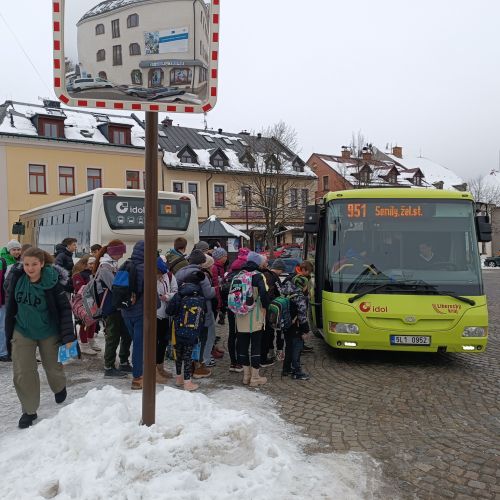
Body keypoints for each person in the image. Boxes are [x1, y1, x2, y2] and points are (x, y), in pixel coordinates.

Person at [4, 247, 76, 428]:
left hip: (48, 331)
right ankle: (29, 410)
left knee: (52, 366)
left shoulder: (53, 283)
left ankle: (59, 386)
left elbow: (65, 310)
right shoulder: (17, 279)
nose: (30, 268)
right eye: (26, 264)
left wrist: (68, 335)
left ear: (42, 263)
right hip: (22, 331)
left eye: (34, 264)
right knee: (23, 372)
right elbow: (10, 304)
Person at [93, 240, 132, 378]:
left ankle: (123, 362)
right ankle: (109, 367)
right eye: (121, 252)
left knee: (126, 334)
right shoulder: (105, 267)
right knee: (113, 336)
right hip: (111, 307)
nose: (122, 255)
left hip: (117, 306)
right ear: (114, 253)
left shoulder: (112, 264)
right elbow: (115, 287)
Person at [175, 249, 215, 379]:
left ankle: (186, 367)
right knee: (202, 337)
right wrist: (217, 289)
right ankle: (199, 366)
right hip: (201, 311)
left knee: (186, 340)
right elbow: (208, 293)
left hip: (183, 311)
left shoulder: (180, 272)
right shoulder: (200, 274)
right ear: (202, 262)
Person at [233, 251, 270, 387]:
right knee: (256, 346)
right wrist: (266, 307)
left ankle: (245, 376)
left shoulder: (238, 275)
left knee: (242, 346)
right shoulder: (258, 276)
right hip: (255, 315)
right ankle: (255, 378)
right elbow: (264, 295)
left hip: (240, 315)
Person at [120, 241, 146, 390]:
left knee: (135, 342)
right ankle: (138, 377)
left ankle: (138, 371)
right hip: (140, 311)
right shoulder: (145, 268)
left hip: (126, 311)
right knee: (139, 345)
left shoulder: (125, 264)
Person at [279, 277, 311, 381]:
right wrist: (306, 329)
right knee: (297, 347)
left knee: (288, 346)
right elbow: (302, 315)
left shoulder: (285, 291)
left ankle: (286, 369)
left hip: (286, 324)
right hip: (295, 325)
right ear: (303, 285)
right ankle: (297, 371)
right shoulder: (299, 296)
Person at [71, 255, 99, 356]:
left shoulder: (95, 273)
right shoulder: (78, 275)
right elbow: (79, 289)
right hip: (82, 302)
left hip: (93, 301)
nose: (92, 266)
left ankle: (90, 340)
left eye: (94, 263)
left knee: (94, 321)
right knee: (85, 322)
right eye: (90, 263)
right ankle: (84, 344)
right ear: (84, 263)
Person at [261, 259, 287, 365]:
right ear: (280, 269)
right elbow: (280, 292)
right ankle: (279, 353)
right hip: (273, 307)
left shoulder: (262, 274)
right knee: (278, 330)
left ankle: (269, 351)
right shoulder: (274, 276)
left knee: (268, 331)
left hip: (262, 307)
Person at [156, 256, 177, 383]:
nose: (160, 275)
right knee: (154, 343)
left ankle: (160, 367)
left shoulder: (169, 276)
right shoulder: (148, 276)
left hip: (166, 313)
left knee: (163, 341)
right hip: (154, 314)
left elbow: (175, 290)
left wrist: (168, 296)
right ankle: (154, 370)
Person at [292, 261, 314, 353]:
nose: (309, 274)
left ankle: (301, 346)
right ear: (304, 270)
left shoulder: (304, 278)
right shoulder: (299, 279)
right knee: (299, 327)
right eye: (308, 271)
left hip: (302, 305)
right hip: (298, 309)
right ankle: (298, 348)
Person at [212, 247, 228, 325]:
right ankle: (211, 336)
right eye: (225, 256)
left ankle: (213, 335)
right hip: (215, 296)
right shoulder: (215, 268)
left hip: (219, 294)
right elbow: (216, 285)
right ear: (219, 257)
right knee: (213, 317)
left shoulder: (220, 267)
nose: (226, 258)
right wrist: (219, 301)